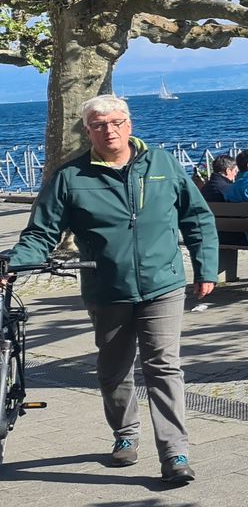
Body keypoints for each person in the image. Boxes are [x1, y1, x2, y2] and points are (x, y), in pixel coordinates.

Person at [2, 95, 216, 485]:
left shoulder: (163, 164)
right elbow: (41, 232)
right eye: (99, 124)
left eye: (116, 121)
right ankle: (125, 435)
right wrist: (14, 264)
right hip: (107, 288)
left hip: (162, 283)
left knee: (163, 366)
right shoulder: (70, 178)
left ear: (129, 124)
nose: (109, 130)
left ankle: (174, 453)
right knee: (114, 369)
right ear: (88, 131)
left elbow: (197, 217)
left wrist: (207, 268)